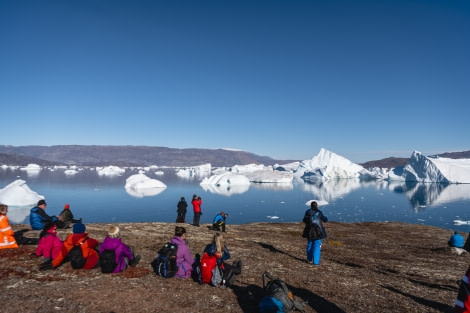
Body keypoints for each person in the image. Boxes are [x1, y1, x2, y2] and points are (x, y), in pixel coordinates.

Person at [302, 201, 328, 265]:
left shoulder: (308, 212)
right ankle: (316, 262)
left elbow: (304, 220)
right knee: (317, 246)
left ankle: (309, 259)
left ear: (310, 206)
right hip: (318, 232)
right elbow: (325, 220)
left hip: (309, 232)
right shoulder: (319, 212)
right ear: (316, 206)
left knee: (310, 244)